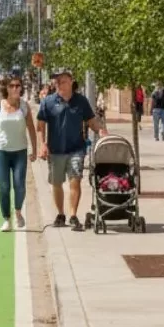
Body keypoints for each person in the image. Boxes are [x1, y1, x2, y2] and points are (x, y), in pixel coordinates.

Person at [37, 69, 107, 230]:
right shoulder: (48, 102)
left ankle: (73, 215)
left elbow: (91, 121)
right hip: (56, 150)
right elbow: (40, 126)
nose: (58, 84)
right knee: (56, 183)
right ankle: (61, 214)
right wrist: (43, 144)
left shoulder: (80, 101)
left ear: (70, 81)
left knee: (75, 181)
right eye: (56, 81)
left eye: (62, 81)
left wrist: (101, 130)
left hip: (77, 148)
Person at [0, 77, 38, 232]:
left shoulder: (24, 107)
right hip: (0, 152)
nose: (16, 88)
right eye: (12, 86)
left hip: (20, 152)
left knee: (20, 185)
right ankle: (7, 219)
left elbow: (31, 128)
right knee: (4, 186)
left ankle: (18, 212)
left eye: (18, 85)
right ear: (7, 89)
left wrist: (35, 149)